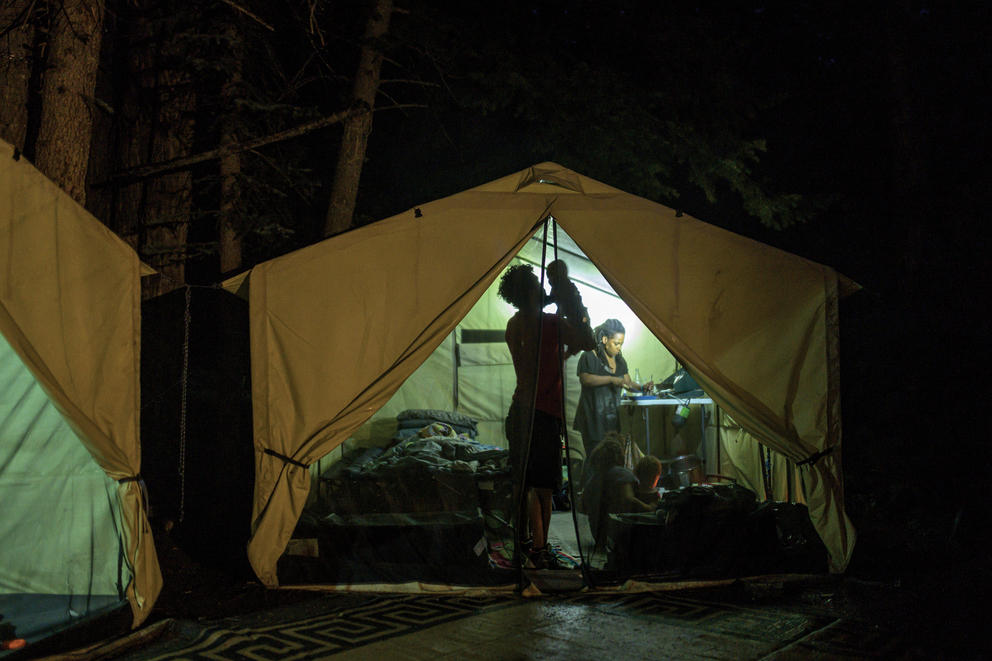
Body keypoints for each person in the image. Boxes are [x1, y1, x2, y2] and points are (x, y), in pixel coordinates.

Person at [498, 264, 588, 569]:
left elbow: (541, 328)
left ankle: (524, 544)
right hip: (544, 414)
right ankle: (540, 549)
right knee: (544, 487)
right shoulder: (551, 324)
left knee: (522, 482)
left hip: (519, 411)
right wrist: (567, 293)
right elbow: (587, 339)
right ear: (531, 293)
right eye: (537, 284)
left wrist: (550, 297)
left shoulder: (514, 324)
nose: (542, 287)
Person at [573, 318, 653, 456]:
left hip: (611, 420)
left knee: (611, 459)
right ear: (604, 340)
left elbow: (627, 382)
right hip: (592, 420)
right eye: (616, 343)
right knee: (595, 460)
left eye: (621, 344)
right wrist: (611, 379)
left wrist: (641, 388)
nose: (619, 348)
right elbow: (585, 379)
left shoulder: (620, 360)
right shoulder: (589, 356)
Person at [580, 436, 655, 550]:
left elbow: (582, 507)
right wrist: (649, 508)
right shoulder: (621, 473)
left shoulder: (593, 479)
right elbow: (628, 499)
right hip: (618, 537)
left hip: (598, 536)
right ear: (620, 455)